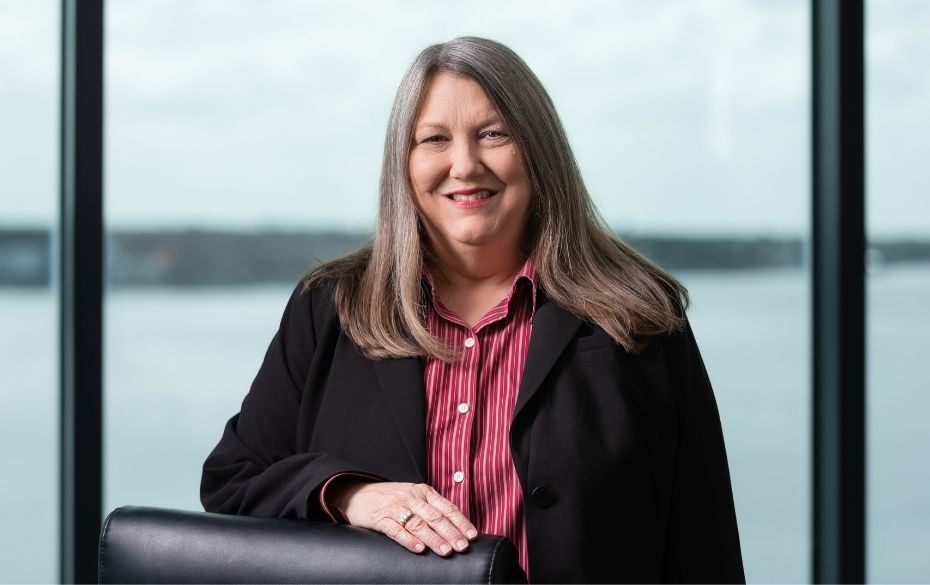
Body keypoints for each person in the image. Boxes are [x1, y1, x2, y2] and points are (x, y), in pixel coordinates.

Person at [201, 36, 744, 583]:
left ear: (538, 149)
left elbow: (704, 542)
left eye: (493, 134)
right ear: (404, 163)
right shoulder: (330, 306)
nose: (464, 165)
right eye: (434, 139)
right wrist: (351, 495)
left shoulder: (639, 314)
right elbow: (233, 481)